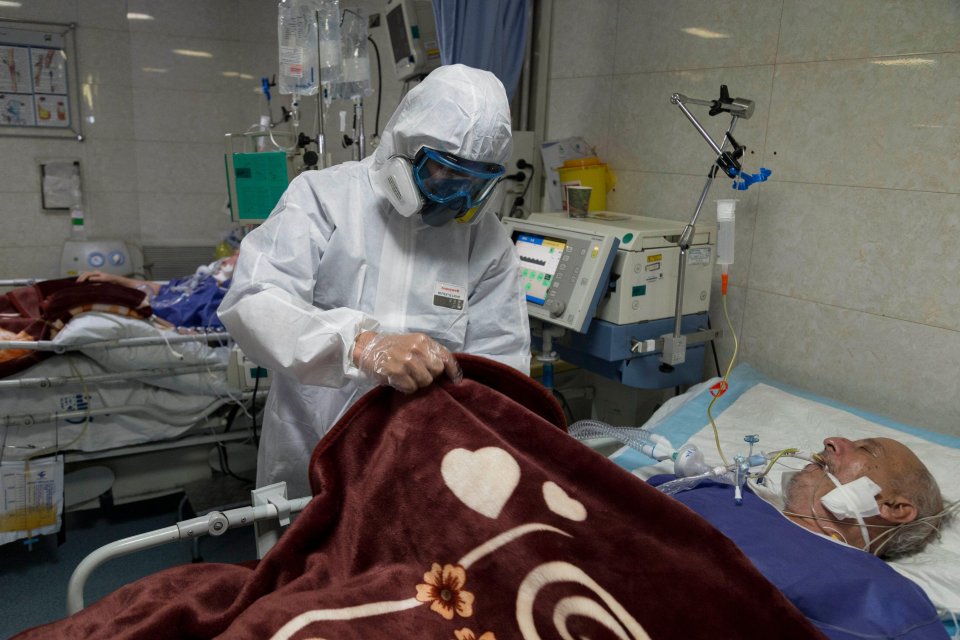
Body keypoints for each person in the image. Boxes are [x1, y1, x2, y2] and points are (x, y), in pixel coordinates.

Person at [218, 64, 531, 498]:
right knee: (302, 559)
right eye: (444, 174)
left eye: (473, 183)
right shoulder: (324, 198)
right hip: (311, 447)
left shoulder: (487, 241)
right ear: (405, 145)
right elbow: (253, 300)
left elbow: (502, 364)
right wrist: (360, 346)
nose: (455, 197)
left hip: (428, 465)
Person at [780, 436, 949, 559]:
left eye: (865, 449)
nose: (830, 441)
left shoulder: (875, 596)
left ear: (894, 508)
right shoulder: (754, 507)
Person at [77, 251, 239, 330]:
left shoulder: (224, 297)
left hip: (149, 319)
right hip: (143, 309)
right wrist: (114, 279)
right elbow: (162, 289)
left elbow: (207, 335)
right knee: (88, 289)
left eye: (238, 255)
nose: (227, 259)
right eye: (232, 254)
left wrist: (152, 319)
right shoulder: (202, 280)